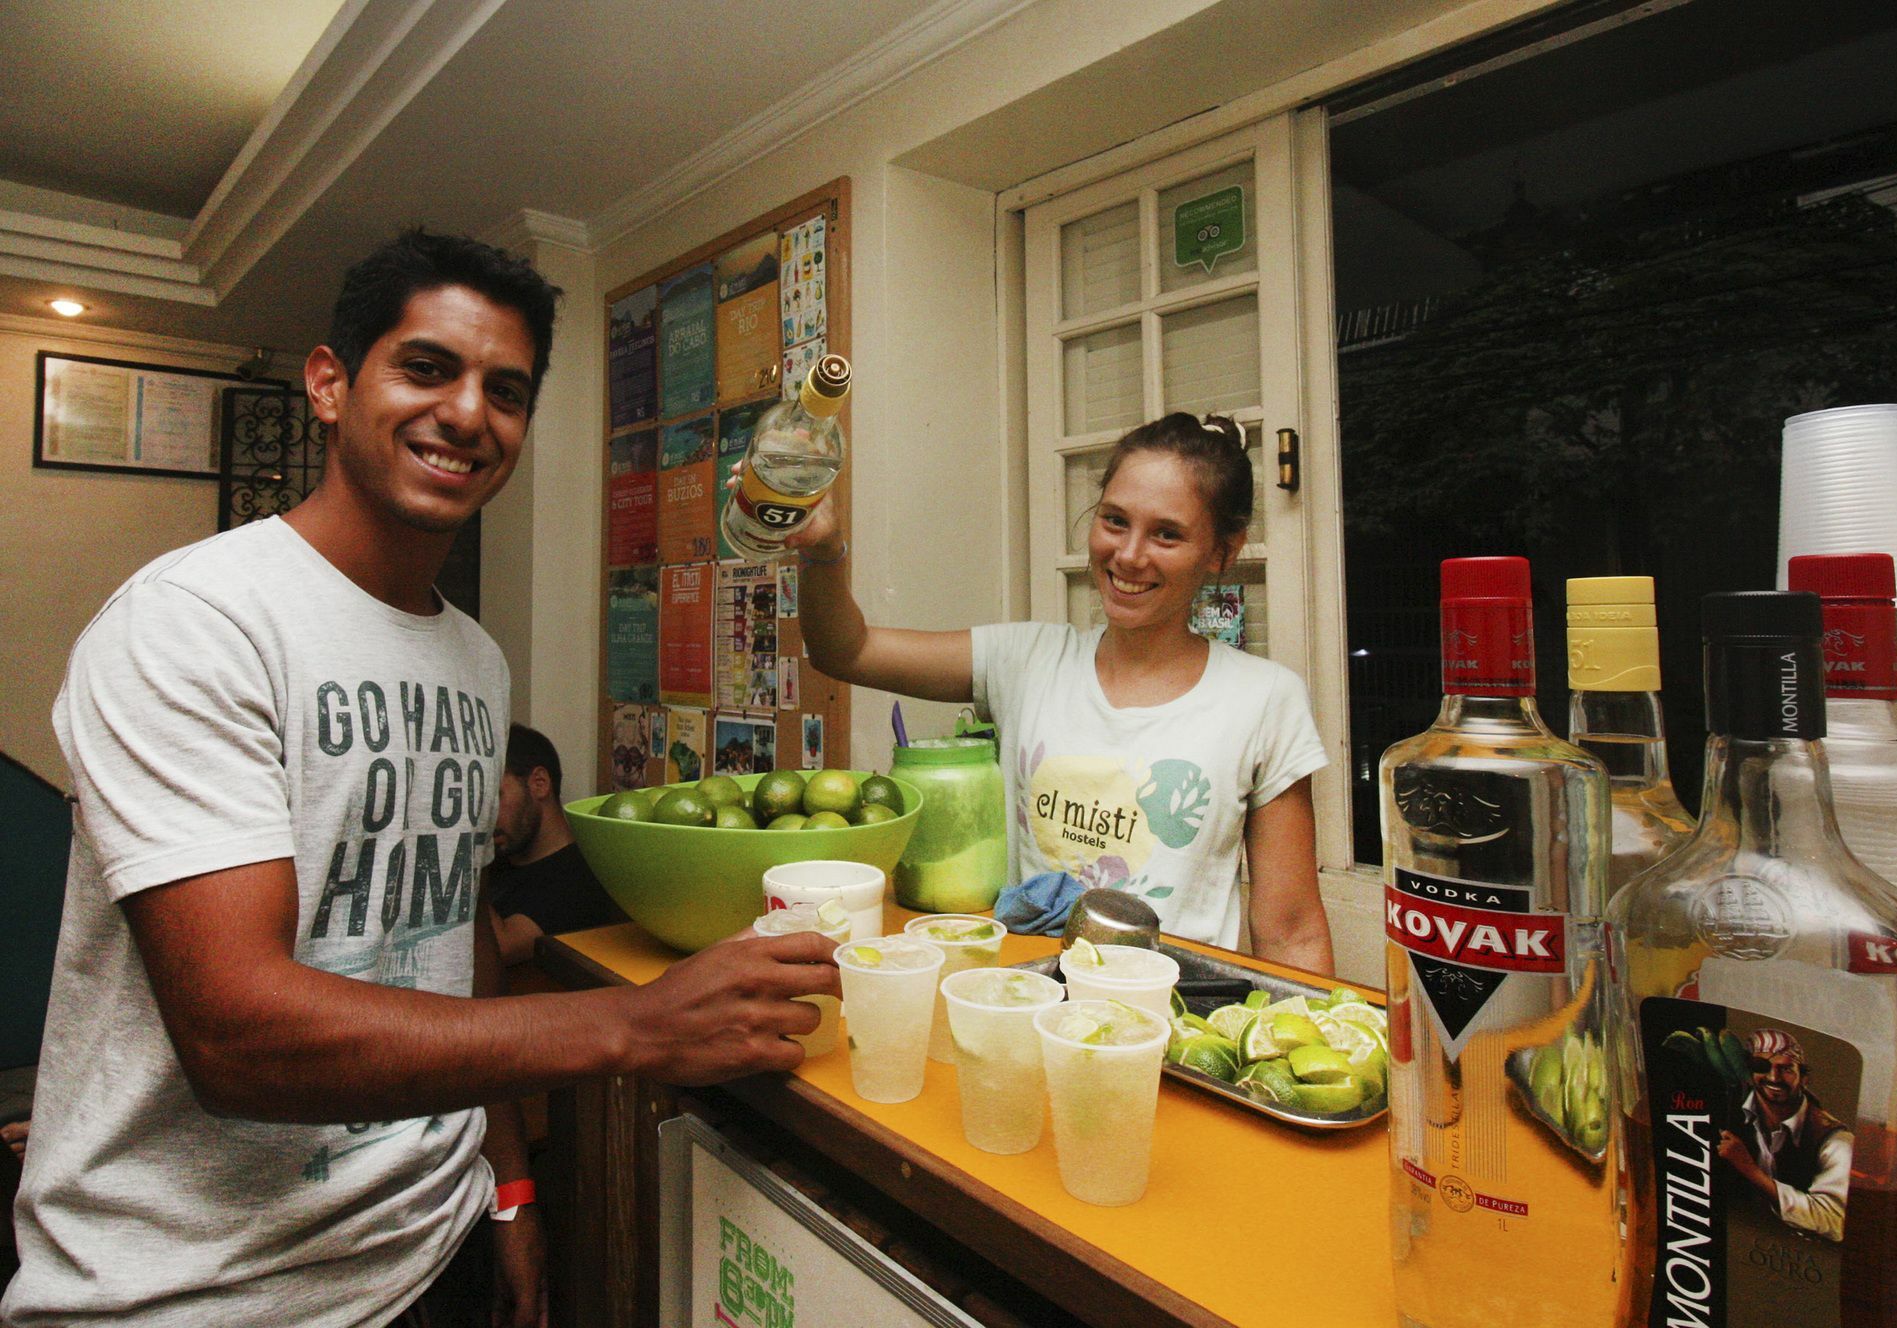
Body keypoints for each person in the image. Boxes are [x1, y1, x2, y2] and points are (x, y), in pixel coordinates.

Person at [6, 229, 837, 1328]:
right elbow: (235, 1033)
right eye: (426, 367)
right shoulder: (195, 622)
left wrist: (509, 1188)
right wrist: (632, 1024)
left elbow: (458, 934)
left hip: (431, 1247)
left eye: (505, 389)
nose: (466, 414)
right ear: (328, 384)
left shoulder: (474, 659)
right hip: (196, 1291)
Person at [779, 411, 1335, 973]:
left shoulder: (1265, 700)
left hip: (1170, 1021)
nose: (1130, 555)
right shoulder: (1026, 660)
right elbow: (844, 650)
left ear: (1222, 552)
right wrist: (822, 549)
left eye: (1167, 533)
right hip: (1027, 1006)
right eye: (1115, 521)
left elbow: (1291, 935)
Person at [490, 723, 626, 964]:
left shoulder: (579, 877)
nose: (485, 814)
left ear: (539, 783)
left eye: (495, 796)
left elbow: (501, 947)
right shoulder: (500, 855)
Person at [1716, 1027, 1852, 1242]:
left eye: (1786, 1069)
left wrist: (1751, 1170)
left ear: (1804, 1077)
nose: (1773, 1077)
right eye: (1762, 1066)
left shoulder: (1834, 1140)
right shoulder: (1725, 1114)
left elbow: (1833, 1220)